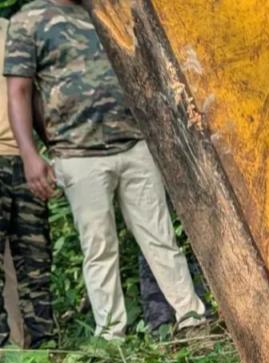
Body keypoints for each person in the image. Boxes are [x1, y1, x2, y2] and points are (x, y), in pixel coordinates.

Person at [4, 0, 207, 340]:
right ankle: (112, 335)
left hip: (135, 143)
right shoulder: (30, 20)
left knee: (160, 237)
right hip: (78, 153)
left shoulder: (108, 10)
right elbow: (19, 91)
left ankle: (191, 318)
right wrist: (30, 153)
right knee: (99, 247)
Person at [0, 13, 52, 348]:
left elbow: (35, 93)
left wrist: (52, 149)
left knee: (37, 260)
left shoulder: (15, 29)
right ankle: (5, 354)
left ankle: (45, 348)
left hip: (24, 159)